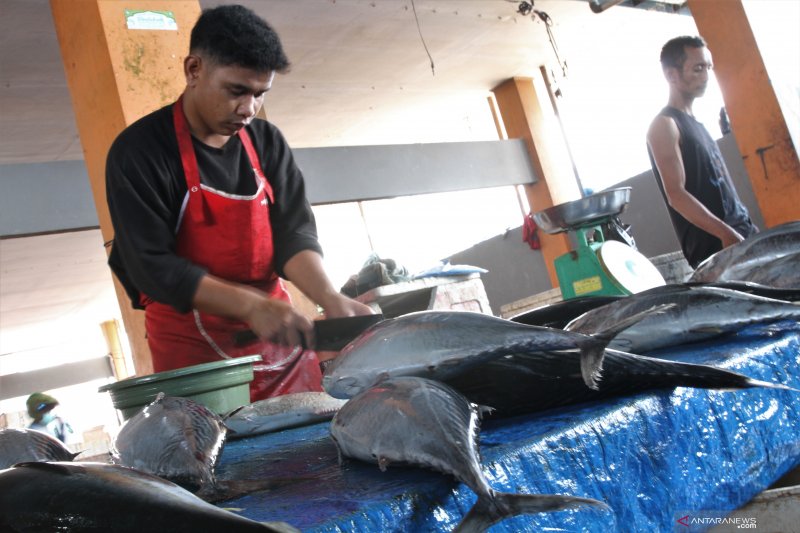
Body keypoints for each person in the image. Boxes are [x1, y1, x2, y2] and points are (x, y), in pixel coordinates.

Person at [105, 5, 373, 402]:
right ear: (194, 70)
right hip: (196, 363)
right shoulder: (140, 152)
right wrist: (248, 305)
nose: (248, 109)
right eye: (236, 91)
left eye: (260, 94)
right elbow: (151, 266)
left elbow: (293, 232)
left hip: (281, 344)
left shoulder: (267, 143)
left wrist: (328, 296)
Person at [646, 35, 758, 268]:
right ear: (671, 75)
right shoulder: (665, 125)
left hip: (743, 237)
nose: (706, 76)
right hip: (718, 252)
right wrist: (725, 234)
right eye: (698, 69)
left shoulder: (697, 124)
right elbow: (676, 195)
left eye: (708, 67)